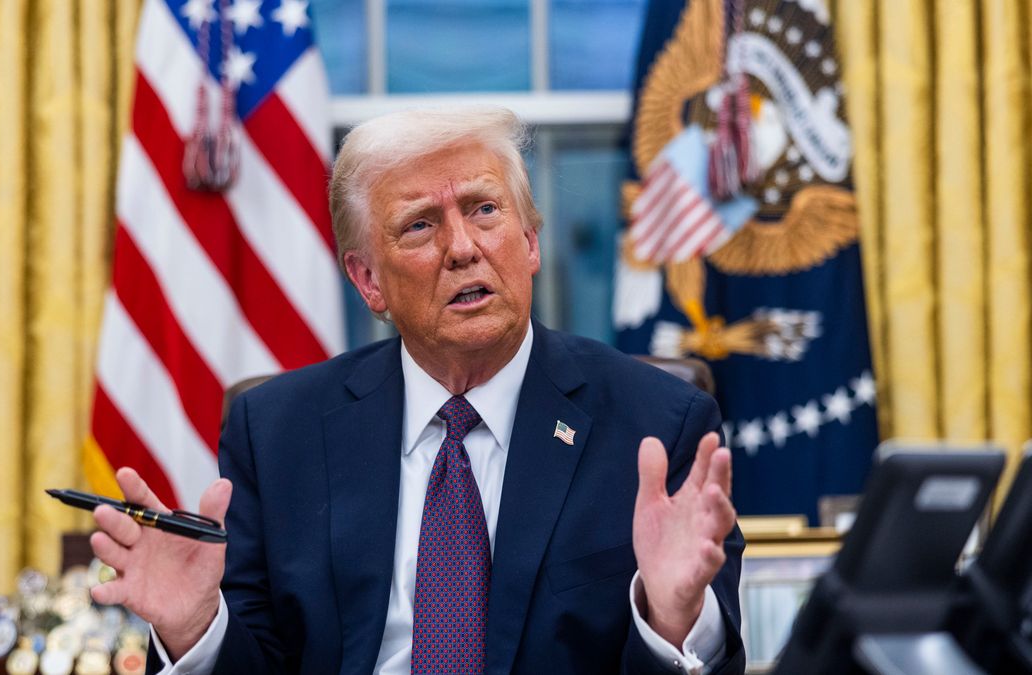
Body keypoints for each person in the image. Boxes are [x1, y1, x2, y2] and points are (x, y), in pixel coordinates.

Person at [88, 107, 744, 674]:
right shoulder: (278, 431)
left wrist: (672, 617)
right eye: (421, 225)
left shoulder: (658, 424)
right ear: (368, 279)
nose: (463, 247)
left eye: (485, 210)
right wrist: (194, 630)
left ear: (531, 240)